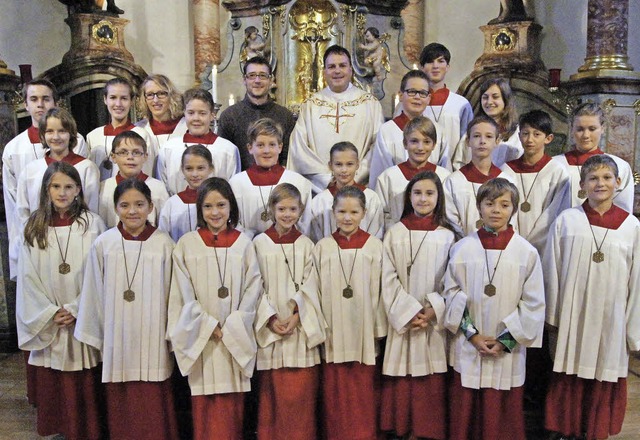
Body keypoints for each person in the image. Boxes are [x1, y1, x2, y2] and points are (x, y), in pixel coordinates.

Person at [543, 155, 640, 440]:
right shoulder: (567, 221)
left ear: (618, 183)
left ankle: (595, 431)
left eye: (607, 177)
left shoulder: (632, 227)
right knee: (569, 372)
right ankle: (566, 430)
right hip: (574, 315)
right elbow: (553, 270)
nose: (601, 183)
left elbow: (637, 281)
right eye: (593, 178)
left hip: (611, 317)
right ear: (582, 185)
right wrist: (553, 318)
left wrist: (632, 329)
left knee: (602, 372)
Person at [75, 179, 179, 440]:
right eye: (125, 205)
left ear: (151, 207)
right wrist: (99, 334)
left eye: (139, 205)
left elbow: (175, 295)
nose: (132, 211)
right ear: (115, 207)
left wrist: (171, 333)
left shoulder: (164, 244)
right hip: (117, 335)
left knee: (154, 400)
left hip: (153, 334)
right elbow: (93, 294)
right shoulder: (104, 244)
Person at [443, 178, 545, 440]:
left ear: (513, 208)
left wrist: (506, 341)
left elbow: (533, 303)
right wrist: (472, 335)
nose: (496, 210)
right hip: (470, 345)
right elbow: (451, 294)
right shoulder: (463, 248)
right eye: (489, 204)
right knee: (467, 409)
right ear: (479, 207)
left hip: (506, 348)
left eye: (504, 204)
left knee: (502, 414)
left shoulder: (526, 252)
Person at [16, 162, 106, 440]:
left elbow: (100, 272)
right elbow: (27, 277)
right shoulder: (35, 226)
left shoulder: (92, 224)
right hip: (51, 316)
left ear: (78, 189)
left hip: (82, 313)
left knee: (85, 383)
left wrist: (78, 308)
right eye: (56, 186)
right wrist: (50, 312)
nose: (62, 192)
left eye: (69, 187)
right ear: (46, 189)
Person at [168, 177, 262, 440]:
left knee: (232, 407)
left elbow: (253, 288)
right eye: (208, 207)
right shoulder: (187, 244)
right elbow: (181, 291)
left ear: (231, 206)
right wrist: (206, 325)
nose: (215, 212)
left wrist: (233, 326)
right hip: (203, 339)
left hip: (234, 336)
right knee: (204, 405)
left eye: (221, 205)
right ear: (200, 210)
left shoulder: (243, 244)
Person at [380, 171, 458, 440]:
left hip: (432, 320)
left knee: (430, 376)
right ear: (408, 197)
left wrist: (433, 308)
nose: (423, 199)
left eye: (429, 193)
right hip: (403, 318)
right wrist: (408, 310)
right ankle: (402, 428)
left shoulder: (448, 236)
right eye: (417, 193)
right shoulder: (394, 233)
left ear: (439, 198)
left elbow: (454, 278)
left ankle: (427, 430)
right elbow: (386, 276)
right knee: (403, 374)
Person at [307, 185, 387, 440]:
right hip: (333, 331)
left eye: (354, 212)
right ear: (333, 212)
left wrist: (377, 328)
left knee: (363, 392)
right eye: (342, 211)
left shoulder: (375, 247)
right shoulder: (322, 247)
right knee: (335, 394)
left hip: (364, 331)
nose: (348, 217)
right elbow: (312, 290)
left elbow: (385, 290)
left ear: (364, 213)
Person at [253, 183, 326, 440]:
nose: (287, 214)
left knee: (300, 401)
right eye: (281, 208)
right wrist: (270, 318)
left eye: (292, 209)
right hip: (271, 332)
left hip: (300, 332)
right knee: (272, 400)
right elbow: (254, 285)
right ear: (272, 209)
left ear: (301, 210)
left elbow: (313, 284)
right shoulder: (259, 244)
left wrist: (297, 316)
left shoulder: (307, 245)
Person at [3, 79, 87, 280]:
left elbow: (82, 191)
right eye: (34, 99)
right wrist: (24, 240)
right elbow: (14, 202)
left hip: (72, 232)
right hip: (35, 235)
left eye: (45, 99)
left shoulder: (77, 142)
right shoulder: (14, 149)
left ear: (55, 102)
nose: (40, 104)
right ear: (25, 104)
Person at [288, 45, 384, 193]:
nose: (337, 71)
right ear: (324, 72)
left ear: (351, 70)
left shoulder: (370, 104)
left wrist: (354, 177)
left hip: (359, 188)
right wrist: (327, 179)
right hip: (321, 189)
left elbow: (378, 147)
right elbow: (299, 148)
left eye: (342, 66)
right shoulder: (311, 105)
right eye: (331, 66)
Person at [16, 108, 99, 243]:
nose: (56, 137)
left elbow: (92, 208)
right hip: (41, 238)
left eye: (62, 131)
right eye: (49, 131)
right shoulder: (31, 170)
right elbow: (23, 212)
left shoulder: (86, 168)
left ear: (71, 134)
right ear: (42, 135)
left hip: (80, 237)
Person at [500, 110, 570, 255]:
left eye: (536, 134)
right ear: (519, 136)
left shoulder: (557, 172)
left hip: (546, 246)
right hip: (511, 244)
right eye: (525, 133)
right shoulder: (507, 171)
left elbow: (556, 212)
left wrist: (533, 242)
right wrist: (515, 239)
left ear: (548, 138)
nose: (530, 139)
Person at [229, 118, 312, 238]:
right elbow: (234, 223)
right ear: (250, 148)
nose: (267, 151)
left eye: (272, 145)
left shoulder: (299, 183)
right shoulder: (236, 184)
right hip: (249, 248)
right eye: (260, 145)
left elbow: (305, 224)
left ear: (280, 147)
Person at [395, 43, 473, 166]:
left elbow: (466, 144)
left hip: (450, 172)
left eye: (441, 61)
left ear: (447, 67)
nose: (435, 66)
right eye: (430, 62)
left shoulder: (461, 104)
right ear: (421, 67)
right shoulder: (409, 103)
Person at [369, 70, 448, 188]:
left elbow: (444, 175)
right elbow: (381, 176)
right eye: (411, 92)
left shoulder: (438, 131)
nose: (417, 97)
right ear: (401, 95)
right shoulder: (387, 131)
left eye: (422, 93)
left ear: (429, 98)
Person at [552, 102, 635, 212]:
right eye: (580, 129)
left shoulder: (620, 167)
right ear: (571, 129)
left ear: (603, 128)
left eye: (592, 129)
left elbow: (623, 212)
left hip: (604, 228)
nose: (586, 135)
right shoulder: (554, 165)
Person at [218, 56, 296, 170]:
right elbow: (224, 156)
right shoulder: (229, 115)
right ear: (244, 80)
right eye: (252, 75)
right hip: (239, 183)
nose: (257, 81)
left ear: (271, 80)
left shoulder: (285, 116)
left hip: (277, 182)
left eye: (263, 76)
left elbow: (289, 157)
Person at [158, 88, 240, 195]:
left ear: (212, 115)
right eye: (191, 113)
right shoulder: (168, 149)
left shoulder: (228, 150)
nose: (196, 118)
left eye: (202, 113)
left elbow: (232, 190)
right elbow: (162, 189)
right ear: (184, 114)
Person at [375, 116, 450, 231]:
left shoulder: (444, 176)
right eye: (414, 141)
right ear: (405, 143)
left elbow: (448, 213)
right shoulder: (388, 177)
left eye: (426, 142)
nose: (420, 148)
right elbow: (381, 216)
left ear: (434, 145)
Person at [444, 115, 514, 236]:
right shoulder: (453, 181)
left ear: (497, 141)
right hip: (463, 249)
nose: (482, 141)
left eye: (489, 136)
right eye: (476, 136)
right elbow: (450, 222)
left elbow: (511, 220)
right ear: (468, 141)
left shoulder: (507, 181)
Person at [310, 141, 383, 242]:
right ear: (330, 166)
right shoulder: (320, 201)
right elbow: (315, 237)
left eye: (349, 164)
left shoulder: (371, 198)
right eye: (338, 164)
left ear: (357, 165)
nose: (344, 170)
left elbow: (376, 233)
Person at [87, 77, 155, 180]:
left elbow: (147, 174)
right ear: (105, 99)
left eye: (124, 98)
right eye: (113, 97)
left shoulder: (142, 135)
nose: (118, 104)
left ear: (132, 101)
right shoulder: (93, 136)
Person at [98, 131, 168, 227]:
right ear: (113, 157)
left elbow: (164, 225)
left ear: (145, 156)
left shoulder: (157, 187)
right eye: (123, 152)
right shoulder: (104, 188)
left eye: (136, 152)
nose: (130, 157)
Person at [452, 78, 523, 170]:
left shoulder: (516, 134)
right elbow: (459, 163)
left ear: (505, 100)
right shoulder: (473, 130)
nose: (489, 102)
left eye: (495, 97)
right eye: (485, 97)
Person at [158, 144, 214, 241]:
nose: (195, 174)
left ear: (210, 169)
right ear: (182, 169)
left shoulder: (219, 201)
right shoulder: (172, 204)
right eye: (189, 168)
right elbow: (163, 237)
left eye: (200, 168)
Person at [135, 74, 188, 151]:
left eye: (161, 93)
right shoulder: (139, 129)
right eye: (150, 95)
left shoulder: (186, 127)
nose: (155, 100)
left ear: (171, 96)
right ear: (144, 99)